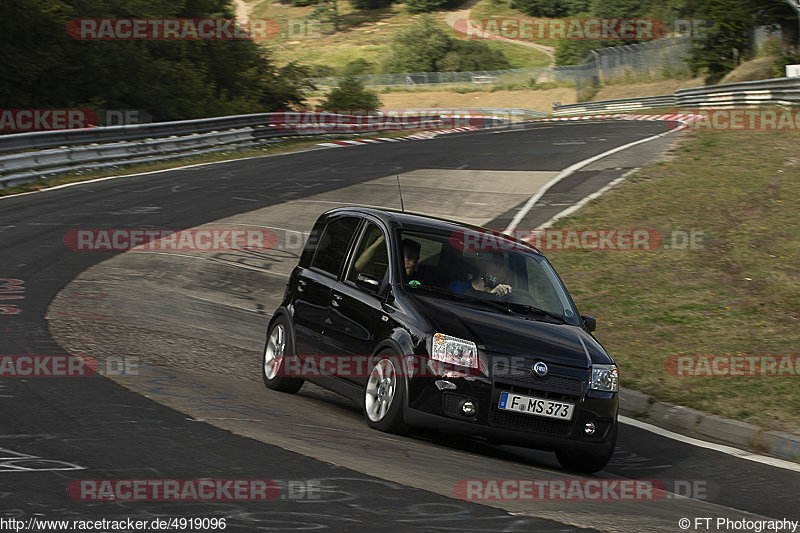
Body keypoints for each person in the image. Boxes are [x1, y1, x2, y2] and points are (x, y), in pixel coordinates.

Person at [447, 253, 512, 297]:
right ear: (481, 264)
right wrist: (490, 296)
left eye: (502, 265)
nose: (501, 268)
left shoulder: (502, 293)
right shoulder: (458, 287)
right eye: (496, 263)